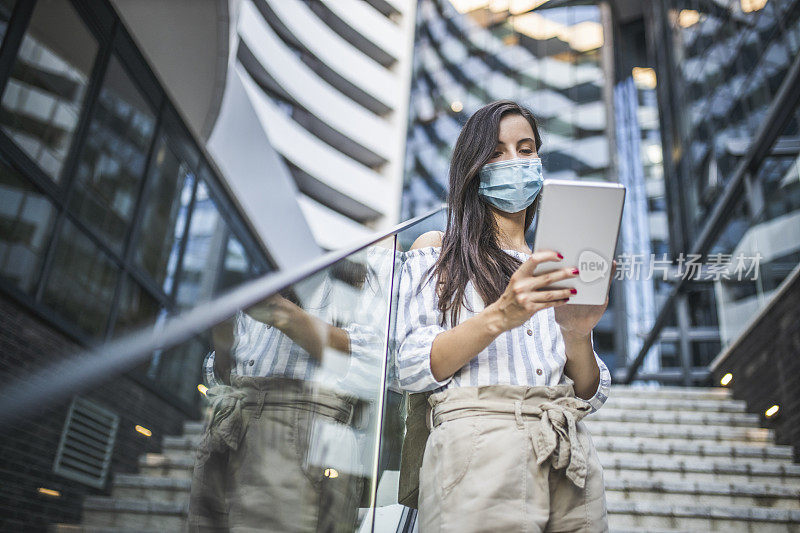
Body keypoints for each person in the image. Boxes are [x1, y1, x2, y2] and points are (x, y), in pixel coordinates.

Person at [395, 100, 613, 532]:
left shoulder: (554, 261)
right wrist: (502, 314)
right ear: (472, 168)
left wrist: (577, 333)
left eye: (526, 149)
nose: (514, 161)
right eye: (496, 152)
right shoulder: (439, 249)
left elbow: (588, 390)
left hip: (569, 452)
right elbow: (412, 365)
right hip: (481, 445)